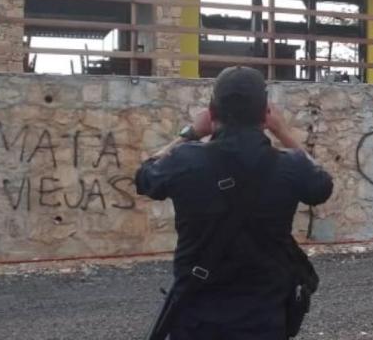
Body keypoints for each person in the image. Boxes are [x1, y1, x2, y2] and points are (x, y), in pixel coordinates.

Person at [136, 66, 333, 339]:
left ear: (213, 113)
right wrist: (284, 131)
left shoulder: (184, 160)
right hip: (264, 320)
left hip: (196, 320)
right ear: (265, 114)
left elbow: (144, 176)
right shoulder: (292, 166)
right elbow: (322, 185)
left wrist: (188, 133)